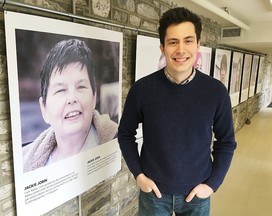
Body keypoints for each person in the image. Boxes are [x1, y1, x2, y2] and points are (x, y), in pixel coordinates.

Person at [118, 7, 236, 216]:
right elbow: (125, 134)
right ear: (162, 47)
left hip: (197, 196)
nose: (181, 50)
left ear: (198, 45)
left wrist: (212, 184)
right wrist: (138, 175)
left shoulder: (215, 91)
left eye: (188, 41)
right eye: (173, 42)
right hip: (154, 194)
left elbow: (226, 141)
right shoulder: (142, 89)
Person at [23, 39, 118, 172]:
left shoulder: (117, 141)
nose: (72, 99)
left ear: (94, 97)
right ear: (44, 109)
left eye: (81, 87)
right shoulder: (26, 164)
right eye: (61, 90)